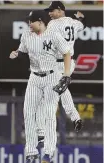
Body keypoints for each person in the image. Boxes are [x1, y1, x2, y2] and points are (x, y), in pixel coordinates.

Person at [9, 10, 72, 163]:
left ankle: (49, 152)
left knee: (49, 114)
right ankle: (31, 151)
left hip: (51, 76)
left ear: (40, 22)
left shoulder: (54, 35)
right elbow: (22, 51)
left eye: (32, 21)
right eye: (28, 21)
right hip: (34, 77)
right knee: (28, 112)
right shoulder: (26, 36)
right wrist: (16, 53)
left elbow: (67, 53)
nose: (29, 24)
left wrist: (66, 74)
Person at [36, 1, 85, 142]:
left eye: (52, 11)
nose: (50, 13)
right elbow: (82, 25)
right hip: (70, 63)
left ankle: (43, 132)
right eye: (49, 11)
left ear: (60, 10)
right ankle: (76, 118)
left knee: (48, 95)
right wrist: (80, 17)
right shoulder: (73, 22)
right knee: (62, 91)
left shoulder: (53, 24)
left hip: (58, 64)